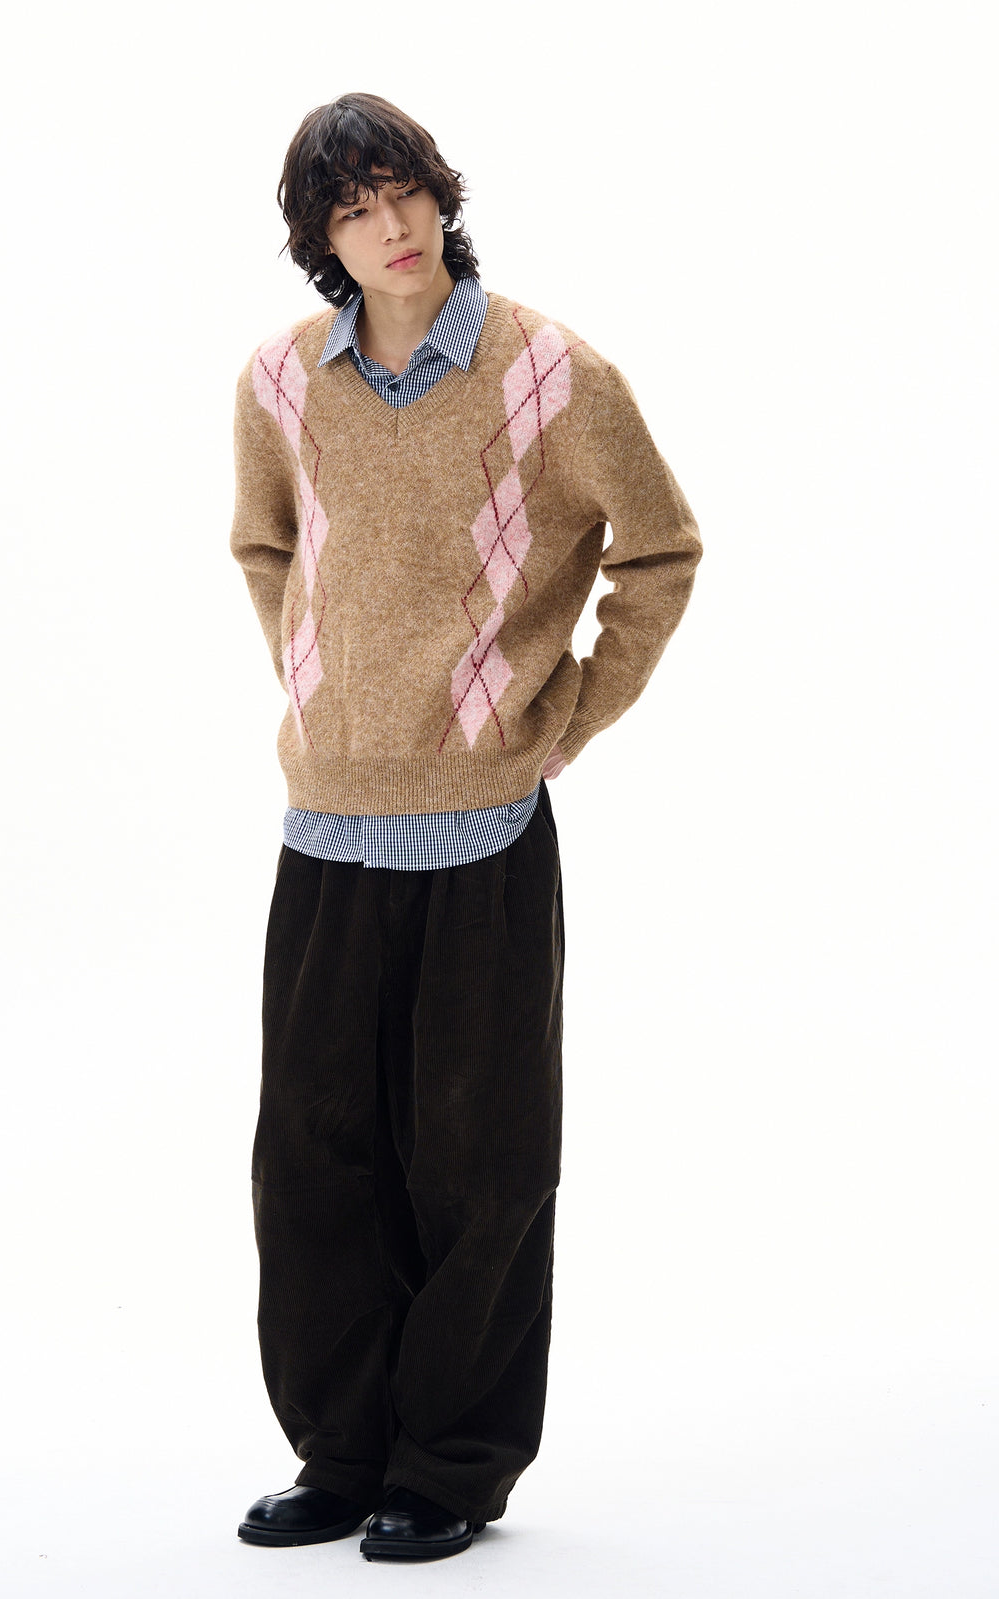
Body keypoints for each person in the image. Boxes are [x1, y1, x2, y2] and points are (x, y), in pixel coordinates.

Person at [228, 91, 702, 1564]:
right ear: (321, 239)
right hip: (327, 827)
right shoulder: (278, 381)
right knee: (313, 1161)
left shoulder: (554, 374)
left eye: (408, 192)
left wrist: (561, 720)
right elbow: (265, 543)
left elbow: (662, 551)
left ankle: (449, 1465)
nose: (394, 226)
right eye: (356, 208)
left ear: (443, 196)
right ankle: (342, 1453)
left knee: (479, 1164)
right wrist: (321, 690)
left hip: (484, 832)